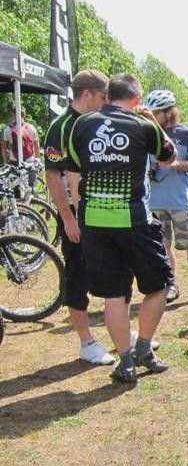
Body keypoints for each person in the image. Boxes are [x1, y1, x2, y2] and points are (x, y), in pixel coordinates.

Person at [66, 73, 177, 384]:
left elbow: (74, 172)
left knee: (113, 295)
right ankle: (143, 348)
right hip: (133, 219)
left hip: (94, 221)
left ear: (107, 95)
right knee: (160, 284)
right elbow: (169, 157)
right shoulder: (142, 124)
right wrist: (152, 121)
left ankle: (125, 362)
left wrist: (78, 215)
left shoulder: (81, 124)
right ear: (137, 99)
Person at [43, 69, 117, 364]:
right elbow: (52, 176)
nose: (106, 102)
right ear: (87, 94)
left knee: (114, 270)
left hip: (102, 212)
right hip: (76, 215)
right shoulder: (61, 127)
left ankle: (118, 330)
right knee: (79, 276)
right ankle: (87, 343)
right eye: (103, 97)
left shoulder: (99, 122)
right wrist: (68, 218)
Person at [144, 90, 188, 304]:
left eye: (156, 112)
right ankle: (171, 285)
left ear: (169, 112)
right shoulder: (147, 131)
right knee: (163, 246)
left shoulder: (186, 133)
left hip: (179, 202)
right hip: (154, 202)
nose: (152, 116)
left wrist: (175, 164)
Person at [2, 105, 41, 188]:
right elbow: (37, 146)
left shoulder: (7, 129)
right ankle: (32, 191)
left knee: (15, 186)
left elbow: (4, 148)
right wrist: (37, 159)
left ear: (13, 114)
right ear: (24, 114)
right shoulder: (31, 128)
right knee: (31, 186)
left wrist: (6, 162)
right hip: (29, 160)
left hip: (14, 160)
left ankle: (17, 194)